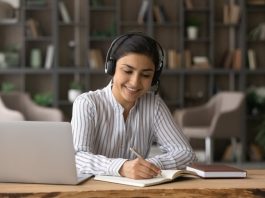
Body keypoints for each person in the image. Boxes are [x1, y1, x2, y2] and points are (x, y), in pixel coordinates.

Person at [71, 32, 196, 179]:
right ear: (111, 68)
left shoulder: (154, 105)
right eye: (127, 71)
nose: (135, 83)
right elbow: (77, 158)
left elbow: (187, 154)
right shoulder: (87, 103)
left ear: (154, 78)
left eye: (146, 75)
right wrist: (122, 167)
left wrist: (148, 166)